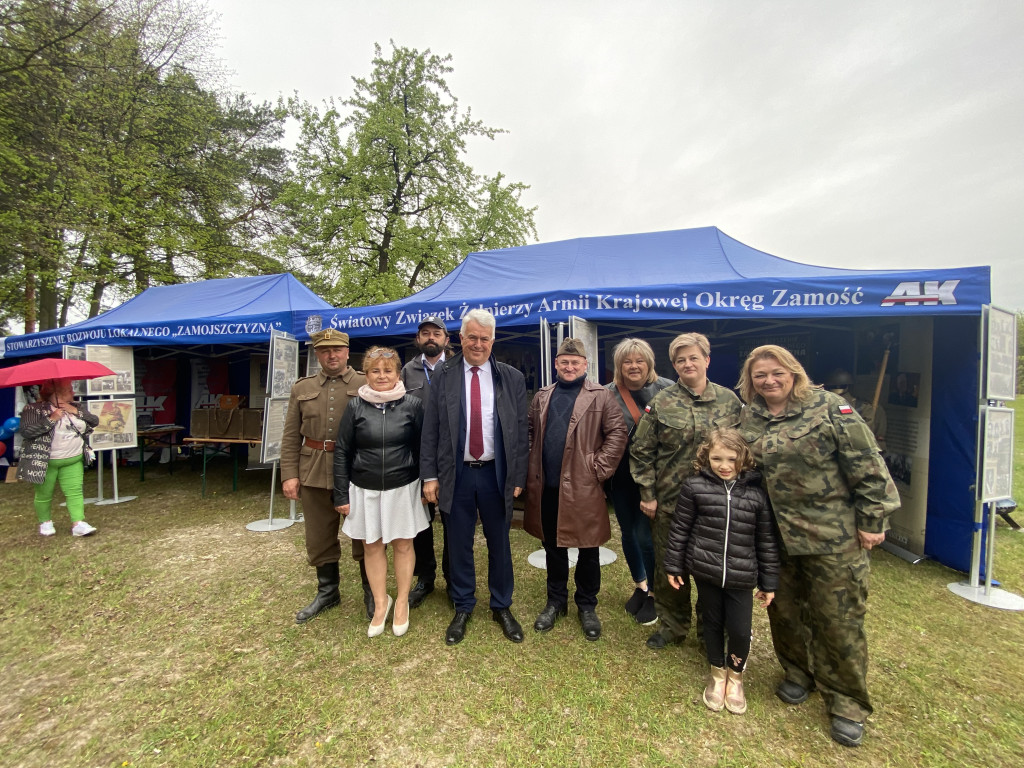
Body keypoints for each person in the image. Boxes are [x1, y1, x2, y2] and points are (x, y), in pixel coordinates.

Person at [737, 344, 900, 747]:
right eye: (760, 375)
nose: (769, 380)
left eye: (777, 372)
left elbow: (866, 462)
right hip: (774, 534)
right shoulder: (749, 416)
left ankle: (846, 700)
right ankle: (797, 672)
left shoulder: (829, 408)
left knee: (837, 617)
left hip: (831, 534)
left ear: (794, 372)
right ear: (750, 381)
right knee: (784, 609)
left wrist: (873, 518)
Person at [421, 308, 529, 646]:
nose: (478, 344)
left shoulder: (511, 377)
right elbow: (431, 429)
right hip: (458, 473)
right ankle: (463, 605)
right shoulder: (444, 375)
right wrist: (430, 476)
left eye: (484, 338)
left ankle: (501, 605)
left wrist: (518, 476)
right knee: (459, 542)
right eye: (472, 337)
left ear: (492, 340)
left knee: (500, 542)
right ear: (460, 338)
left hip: (497, 472)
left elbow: (521, 432)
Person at [630, 332, 742, 650]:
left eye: (693, 358)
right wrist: (647, 494)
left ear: (707, 360)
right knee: (670, 564)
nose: (687, 364)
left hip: (717, 504)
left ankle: (710, 630)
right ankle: (673, 625)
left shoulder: (730, 402)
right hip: (670, 503)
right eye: (680, 360)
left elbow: (743, 451)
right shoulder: (662, 402)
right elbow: (641, 451)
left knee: (711, 569)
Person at [664, 428, 780, 714]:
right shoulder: (694, 487)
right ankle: (717, 674)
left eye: (731, 458)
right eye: (717, 458)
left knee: (740, 630)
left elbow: (765, 540)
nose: (724, 465)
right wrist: (673, 564)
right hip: (706, 571)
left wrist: (769, 581)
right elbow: (680, 529)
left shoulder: (756, 495)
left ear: (743, 458)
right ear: (706, 458)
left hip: (742, 576)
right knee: (712, 624)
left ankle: (736, 676)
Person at [525, 338, 627, 641]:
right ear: (556, 364)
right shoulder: (542, 396)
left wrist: (598, 468)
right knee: (552, 547)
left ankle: (586, 605)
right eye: (564, 362)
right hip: (547, 487)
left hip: (583, 488)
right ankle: (556, 602)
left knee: (588, 548)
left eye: (575, 362)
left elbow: (617, 433)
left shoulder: (601, 396)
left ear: (585, 365)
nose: (570, 367)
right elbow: (530, 431)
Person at [334, 346, 427, 637]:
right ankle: (379, 602)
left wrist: (426, 485)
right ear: (367, 374)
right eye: (375, 370)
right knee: (371, 545)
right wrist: (340, 494)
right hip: (364, 488)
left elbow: (423, 449)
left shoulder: (412, 405)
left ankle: (401, 602)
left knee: (403, 544)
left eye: (388, 370)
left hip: (403, 486)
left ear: (398, 374)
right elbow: (342, 451)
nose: (382, 376)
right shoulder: (355, 406)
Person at [281, 328, 368, 625]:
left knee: (363, 534)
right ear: (317, 354)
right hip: (313, 469)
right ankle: (328, 592)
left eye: (337, 350)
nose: (332, 355)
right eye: (325, 350)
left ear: (347, 351)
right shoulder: (302, 387)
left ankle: (372, 591)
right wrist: (289, 474)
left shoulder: (366, 382)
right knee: (318, 536)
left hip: (356, 471)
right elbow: (291, 434)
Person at [605, 338, 673, 625]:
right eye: (627, 361)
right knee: (628, 533)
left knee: (647, 536)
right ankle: (640, 585)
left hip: (654, 478)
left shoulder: (668, 390)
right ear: (619, 365)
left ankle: (657, 594)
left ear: (649, 363)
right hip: (620, 477)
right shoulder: (606, 393)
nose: (633, 366)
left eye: (639, 361)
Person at [400, 315, 451, 608]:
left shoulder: (457, 368)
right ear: (418, 339)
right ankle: (426, 577)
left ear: (446, 338)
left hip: (452, 457)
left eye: (436, 333)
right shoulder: (407, 371)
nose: (430, 337)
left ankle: (452, 576)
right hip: (417, 458)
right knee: (421, 522)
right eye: (425, 333)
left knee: (453, 520)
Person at [17, 378, 100, 537]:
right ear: (56, 393)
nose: (73, 392)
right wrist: (51, 419)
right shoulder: (33, 409)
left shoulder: (76, 406)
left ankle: (78, 523)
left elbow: (94, 421)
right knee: (44, 494)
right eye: (69, 390)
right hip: (44, 461)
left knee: (75, 491)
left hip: (73, 458)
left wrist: (75, 411)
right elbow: (26, 431)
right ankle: (45, 522)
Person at [824, 368, 887, 450]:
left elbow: (864, 434)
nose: (837, 388)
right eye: (834, 386)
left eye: (839, 386)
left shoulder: (863, 408)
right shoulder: (824, 406)